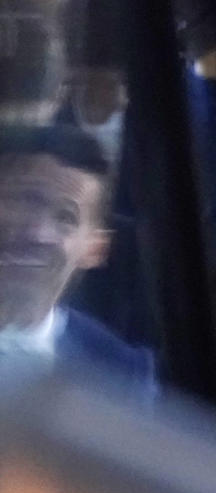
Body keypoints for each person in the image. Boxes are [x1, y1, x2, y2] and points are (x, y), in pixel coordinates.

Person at [0, 124, 154, 389]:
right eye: (27, 202)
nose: (37, 233)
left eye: (65, 218)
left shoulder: (120, 375)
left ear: (95, 248)